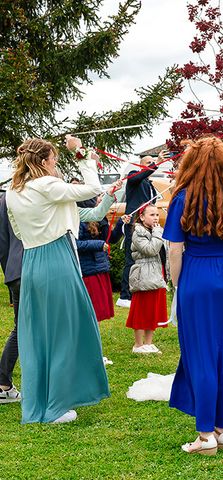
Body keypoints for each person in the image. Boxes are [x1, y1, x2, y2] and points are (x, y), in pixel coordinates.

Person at [163, 97, 223, 455]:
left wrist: (177, 284)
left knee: (201, 353)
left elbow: (174, 249)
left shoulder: (182, 197)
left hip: (198, 275)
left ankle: (205, 437)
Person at [6, 136, 111, 423]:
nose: (56, 164)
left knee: (39, 334)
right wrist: (82, 154)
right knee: (64, 331)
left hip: (32, 260)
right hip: (56, 257)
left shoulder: (13, 190)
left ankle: (42, 401)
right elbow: (92, 188)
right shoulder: (47, 185)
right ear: (42, 161)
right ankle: (55, 407)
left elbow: (17, 229)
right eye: (53, 159)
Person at [118, 154, 161, 308]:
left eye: (152, 163)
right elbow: (139, 176)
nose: (151, 165)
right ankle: (125, 296)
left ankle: (139, 289)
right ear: (142, 165)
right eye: (148, 163)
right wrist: (156, 163)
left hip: (145, 223)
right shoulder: (133, 176)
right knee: (131, 258)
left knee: (144, 256)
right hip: (134, 223)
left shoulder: (149, 184)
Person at [77, 191, 127, 322]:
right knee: (90, 312)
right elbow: (75, 244)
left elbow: (110, 239)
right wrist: (98, 245)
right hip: (88, 270)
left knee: (97, 313)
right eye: (97, 197)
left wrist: (121, 223)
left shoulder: (99, 218)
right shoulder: (78, 220)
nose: (100, 199)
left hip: (99, 267)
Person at [126, 204, 168, 353]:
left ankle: (148, 343)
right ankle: (138, 344)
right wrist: (157, 233)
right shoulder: (138, 232)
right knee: (141, 309)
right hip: (143, 274)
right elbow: (150, 250)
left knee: (153, 309)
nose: (156, 218)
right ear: (142, 217)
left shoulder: (155, 231)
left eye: (157, 214)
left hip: (156, 273)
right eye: (151, 215)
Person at [0, 190, 23, 403]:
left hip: (15, 269)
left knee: (21, 327)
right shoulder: (36, 192)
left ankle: (3, 383)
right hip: (31, 266)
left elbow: (3, 243)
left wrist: (10, 271)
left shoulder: (7, 196)